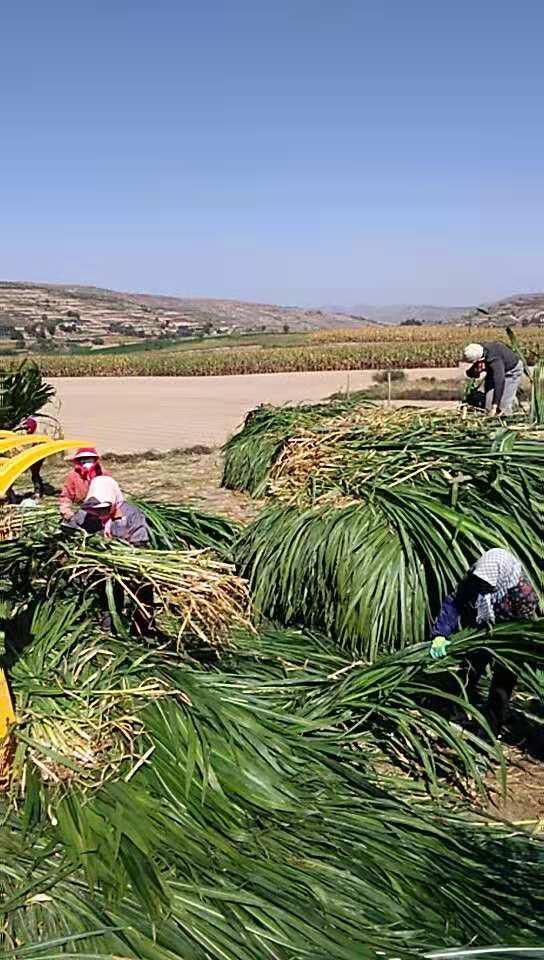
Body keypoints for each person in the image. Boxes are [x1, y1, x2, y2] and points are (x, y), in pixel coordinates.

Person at [430, 548, 539, 735]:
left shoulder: (523, 593)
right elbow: (455, 601)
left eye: (488, 584)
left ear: (501, 576)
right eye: (481, 581)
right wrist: (441, 634)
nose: (483, 586)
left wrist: (504, 642)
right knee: (469, 670)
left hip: (509, 640)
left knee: (502, 685)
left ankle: (490, 728)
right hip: (480, 632)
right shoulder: (477, 579)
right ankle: (455, 712)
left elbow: (522, 626)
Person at [68, 476, 153, 634]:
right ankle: (110, 631)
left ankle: (143, 629)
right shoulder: (85, 514)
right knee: (108, 597)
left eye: (103, 510)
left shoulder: (132, 514)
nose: (99, 514)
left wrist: (122, 553)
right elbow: (70, 530)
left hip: (130, 564)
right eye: (95, 511)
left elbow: (140, 542)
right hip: (102, 568)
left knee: (143, 592)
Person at [463, 342, 523, 416]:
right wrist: (474, 372)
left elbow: (499, 382)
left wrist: (494, 407)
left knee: (503, 406)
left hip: (511, 372)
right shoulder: (476, 350)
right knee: (488, 405)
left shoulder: (494, 359)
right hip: (493, 371)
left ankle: (509, 417)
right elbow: (471, 372)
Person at [59, 447, 109, 520]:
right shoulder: (73, 476)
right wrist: (66, 510)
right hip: (82, 509)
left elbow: (112, 494)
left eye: (89, 459)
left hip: (102, 510)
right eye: (83, 459)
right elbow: (66, 496)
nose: (86, 461)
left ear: (95, 459)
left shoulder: (102, 473)